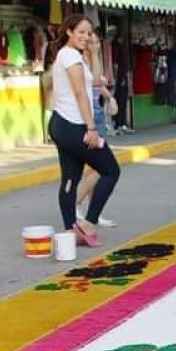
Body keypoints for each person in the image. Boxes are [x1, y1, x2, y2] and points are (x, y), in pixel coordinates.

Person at [48, 14, 120, 248]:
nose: (85, 37)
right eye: (81, 32)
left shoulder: (71, 56)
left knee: (70, 178)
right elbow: (81, 94)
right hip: (75, 126)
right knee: (110, 170)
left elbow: (96, 81)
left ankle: (70, 231)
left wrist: (93, 51)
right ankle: (88, 223)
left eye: (88, 33)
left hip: (61, 124)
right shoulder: (70, 56)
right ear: (68, 31)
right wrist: (92, 128)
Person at [76, 30, 117, 228]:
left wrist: (110, 97)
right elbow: (94, 81)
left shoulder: (92, 57)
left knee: (95, 169)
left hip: (97, 114)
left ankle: (93, 212)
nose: (97, 43)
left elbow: (99, 84)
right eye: (93, 40)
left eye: (97, 41)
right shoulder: (81, 59)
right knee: (96, 170)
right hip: (90, 118)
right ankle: (75, 204)